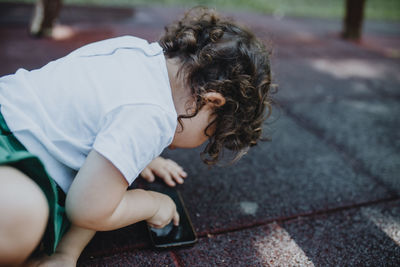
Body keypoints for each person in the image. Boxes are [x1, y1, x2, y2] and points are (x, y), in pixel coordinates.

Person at [0, 7, 273, 266]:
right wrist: (153, 204)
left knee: (104, 185)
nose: (202, 142)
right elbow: (88, 209)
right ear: (211, 102)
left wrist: (142, 158)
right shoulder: (152, 117)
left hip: (10, 110)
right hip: (12, 149)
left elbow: (104, 107)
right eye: (210, 133)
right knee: (24, 216)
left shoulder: (135, 49)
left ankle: (61, 253)